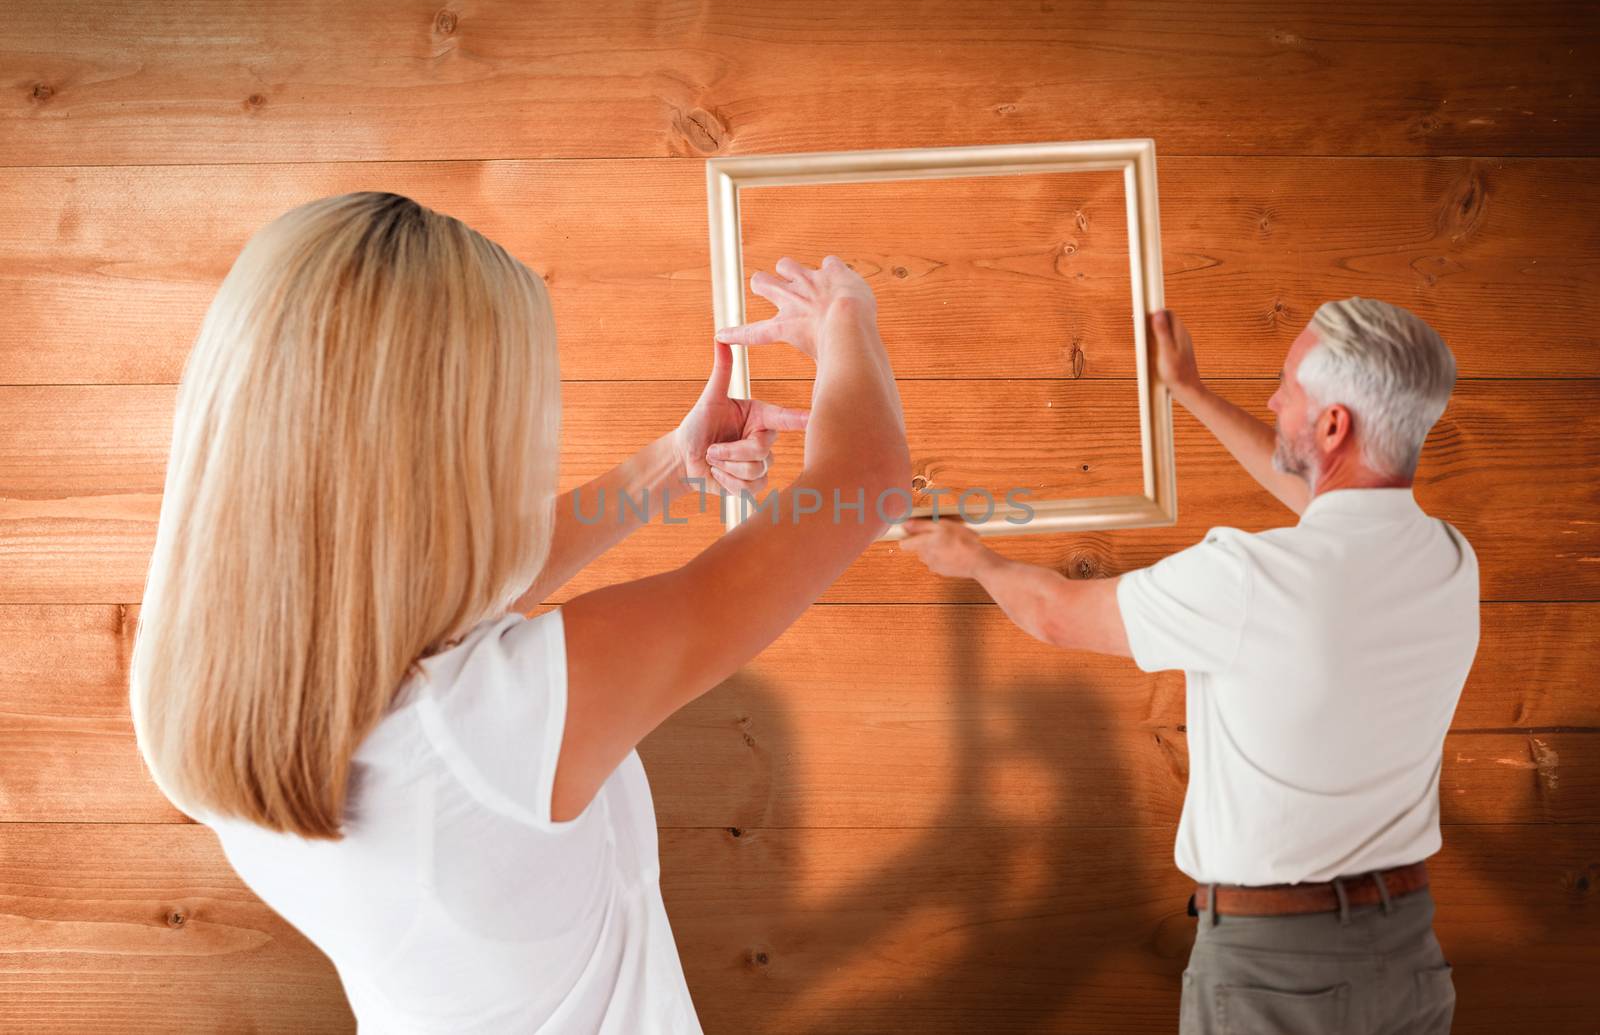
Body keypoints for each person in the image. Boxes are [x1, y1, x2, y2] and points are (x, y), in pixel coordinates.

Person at [128, 191, 910, 1033]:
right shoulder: (499, 725)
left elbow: (440, 590)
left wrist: (670, 467)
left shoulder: (196, 673)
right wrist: (845, 322)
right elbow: (863, 484)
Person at [899, 298, 1475, 1034]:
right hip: (1408, 954)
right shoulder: (1449, 559)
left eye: (1287, 386)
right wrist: (1192, 392)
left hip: (1276, 967)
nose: (1273, 399)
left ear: (1333, 426)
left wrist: (974, 559)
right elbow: (1331, 503)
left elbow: (1055, 613)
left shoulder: (1246, 576)